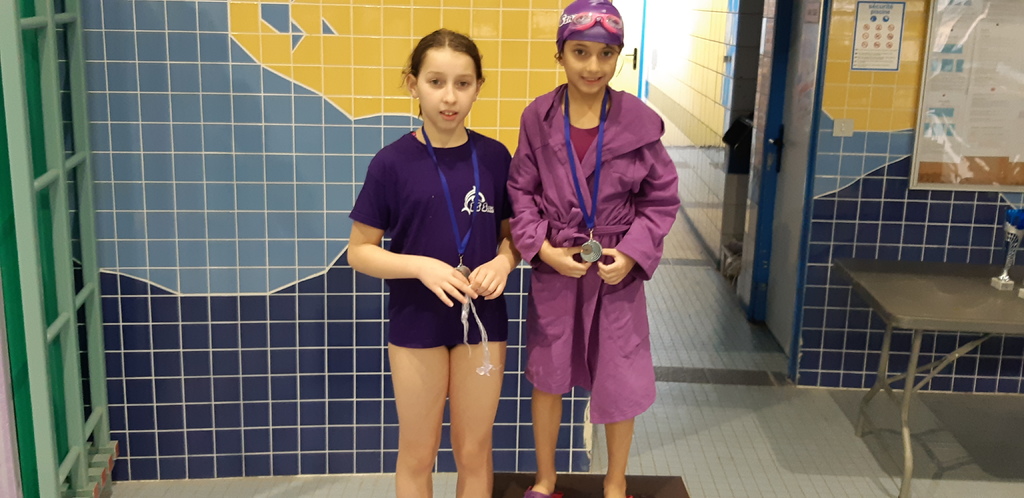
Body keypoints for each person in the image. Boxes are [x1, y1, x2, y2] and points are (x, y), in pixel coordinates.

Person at [507, 2, 681, 498]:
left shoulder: (640, 122)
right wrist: (542, 249)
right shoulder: (538, 117)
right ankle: (545, 479)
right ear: (560, 54)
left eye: (606, 54)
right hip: (558, 267)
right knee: (548, 375)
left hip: (614, 271)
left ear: (618, 57)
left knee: (620, 376)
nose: (593, 66)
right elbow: (520, 191)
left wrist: (631, 254)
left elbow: (661, 198)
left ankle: (615, 481)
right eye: (580, 52)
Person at [347, 28, 520, 498]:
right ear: (413, 84)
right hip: (416, 320)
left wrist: (504, 263)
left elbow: (513, 237)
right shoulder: (391, 163)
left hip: (482, 319)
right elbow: (359, 251)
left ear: (479, 87)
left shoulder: (495, 157)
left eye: (463, 84)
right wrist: (420, 266)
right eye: (436, 82)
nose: (449, 97)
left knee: (474, 450)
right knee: (418, 452)